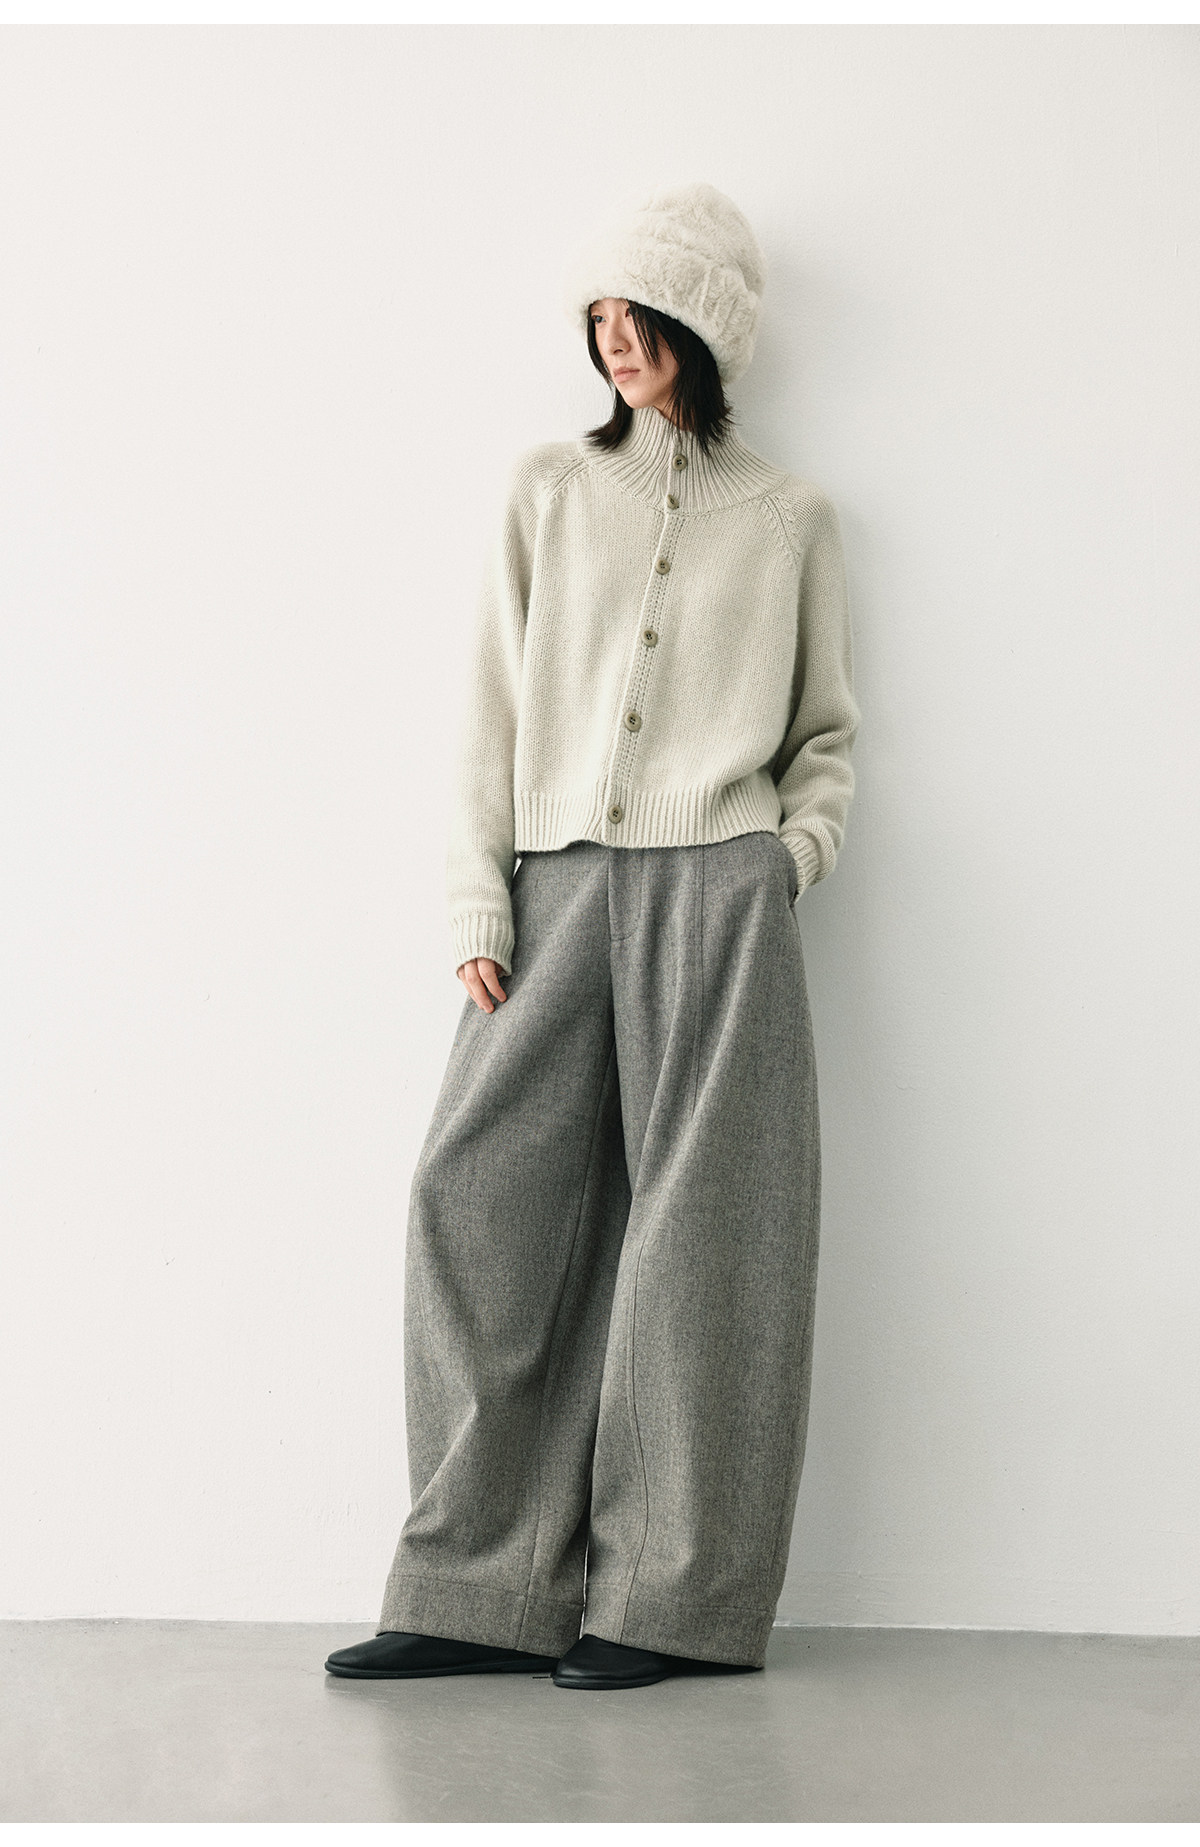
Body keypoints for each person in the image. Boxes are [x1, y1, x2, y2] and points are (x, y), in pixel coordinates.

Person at [325, 182, 861, 1692]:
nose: (616, 340)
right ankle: (473, 1588)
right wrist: (476, 896)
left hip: (721, 889)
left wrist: (786, 862)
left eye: (640, 314)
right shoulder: (548, 491)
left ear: (704, 324)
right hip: (555, 880)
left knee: (715, 1240)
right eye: (600, 319)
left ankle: (673, 1605)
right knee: (474, 1200)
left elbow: (827, 734)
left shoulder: (791, 519)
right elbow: (489, 708)